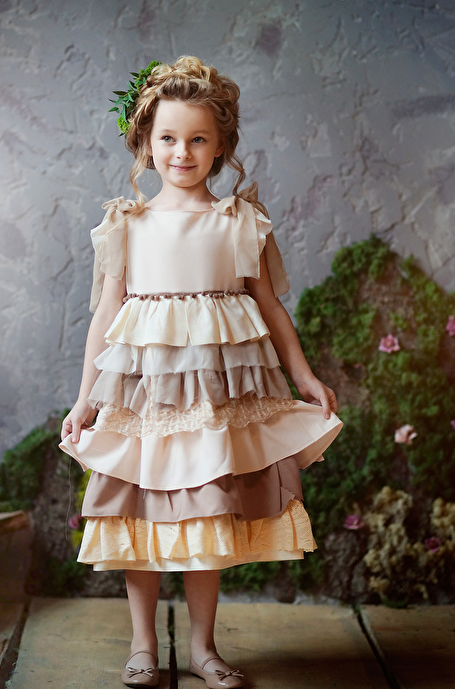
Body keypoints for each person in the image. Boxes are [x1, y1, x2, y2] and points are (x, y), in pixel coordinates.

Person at [60, 56, 342, 688]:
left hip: (216, 395)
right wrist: (85, 400)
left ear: (220, 146)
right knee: (140, 511)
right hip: (144, 394)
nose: (181, 152)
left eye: (197, 139)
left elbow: (270, 307)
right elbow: (106, 316)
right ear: (146, 141)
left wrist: (303, 375)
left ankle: (202, 647)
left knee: (204, 515)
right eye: (168, 138)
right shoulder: (128, 224)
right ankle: (142, 645)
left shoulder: (238, 221)